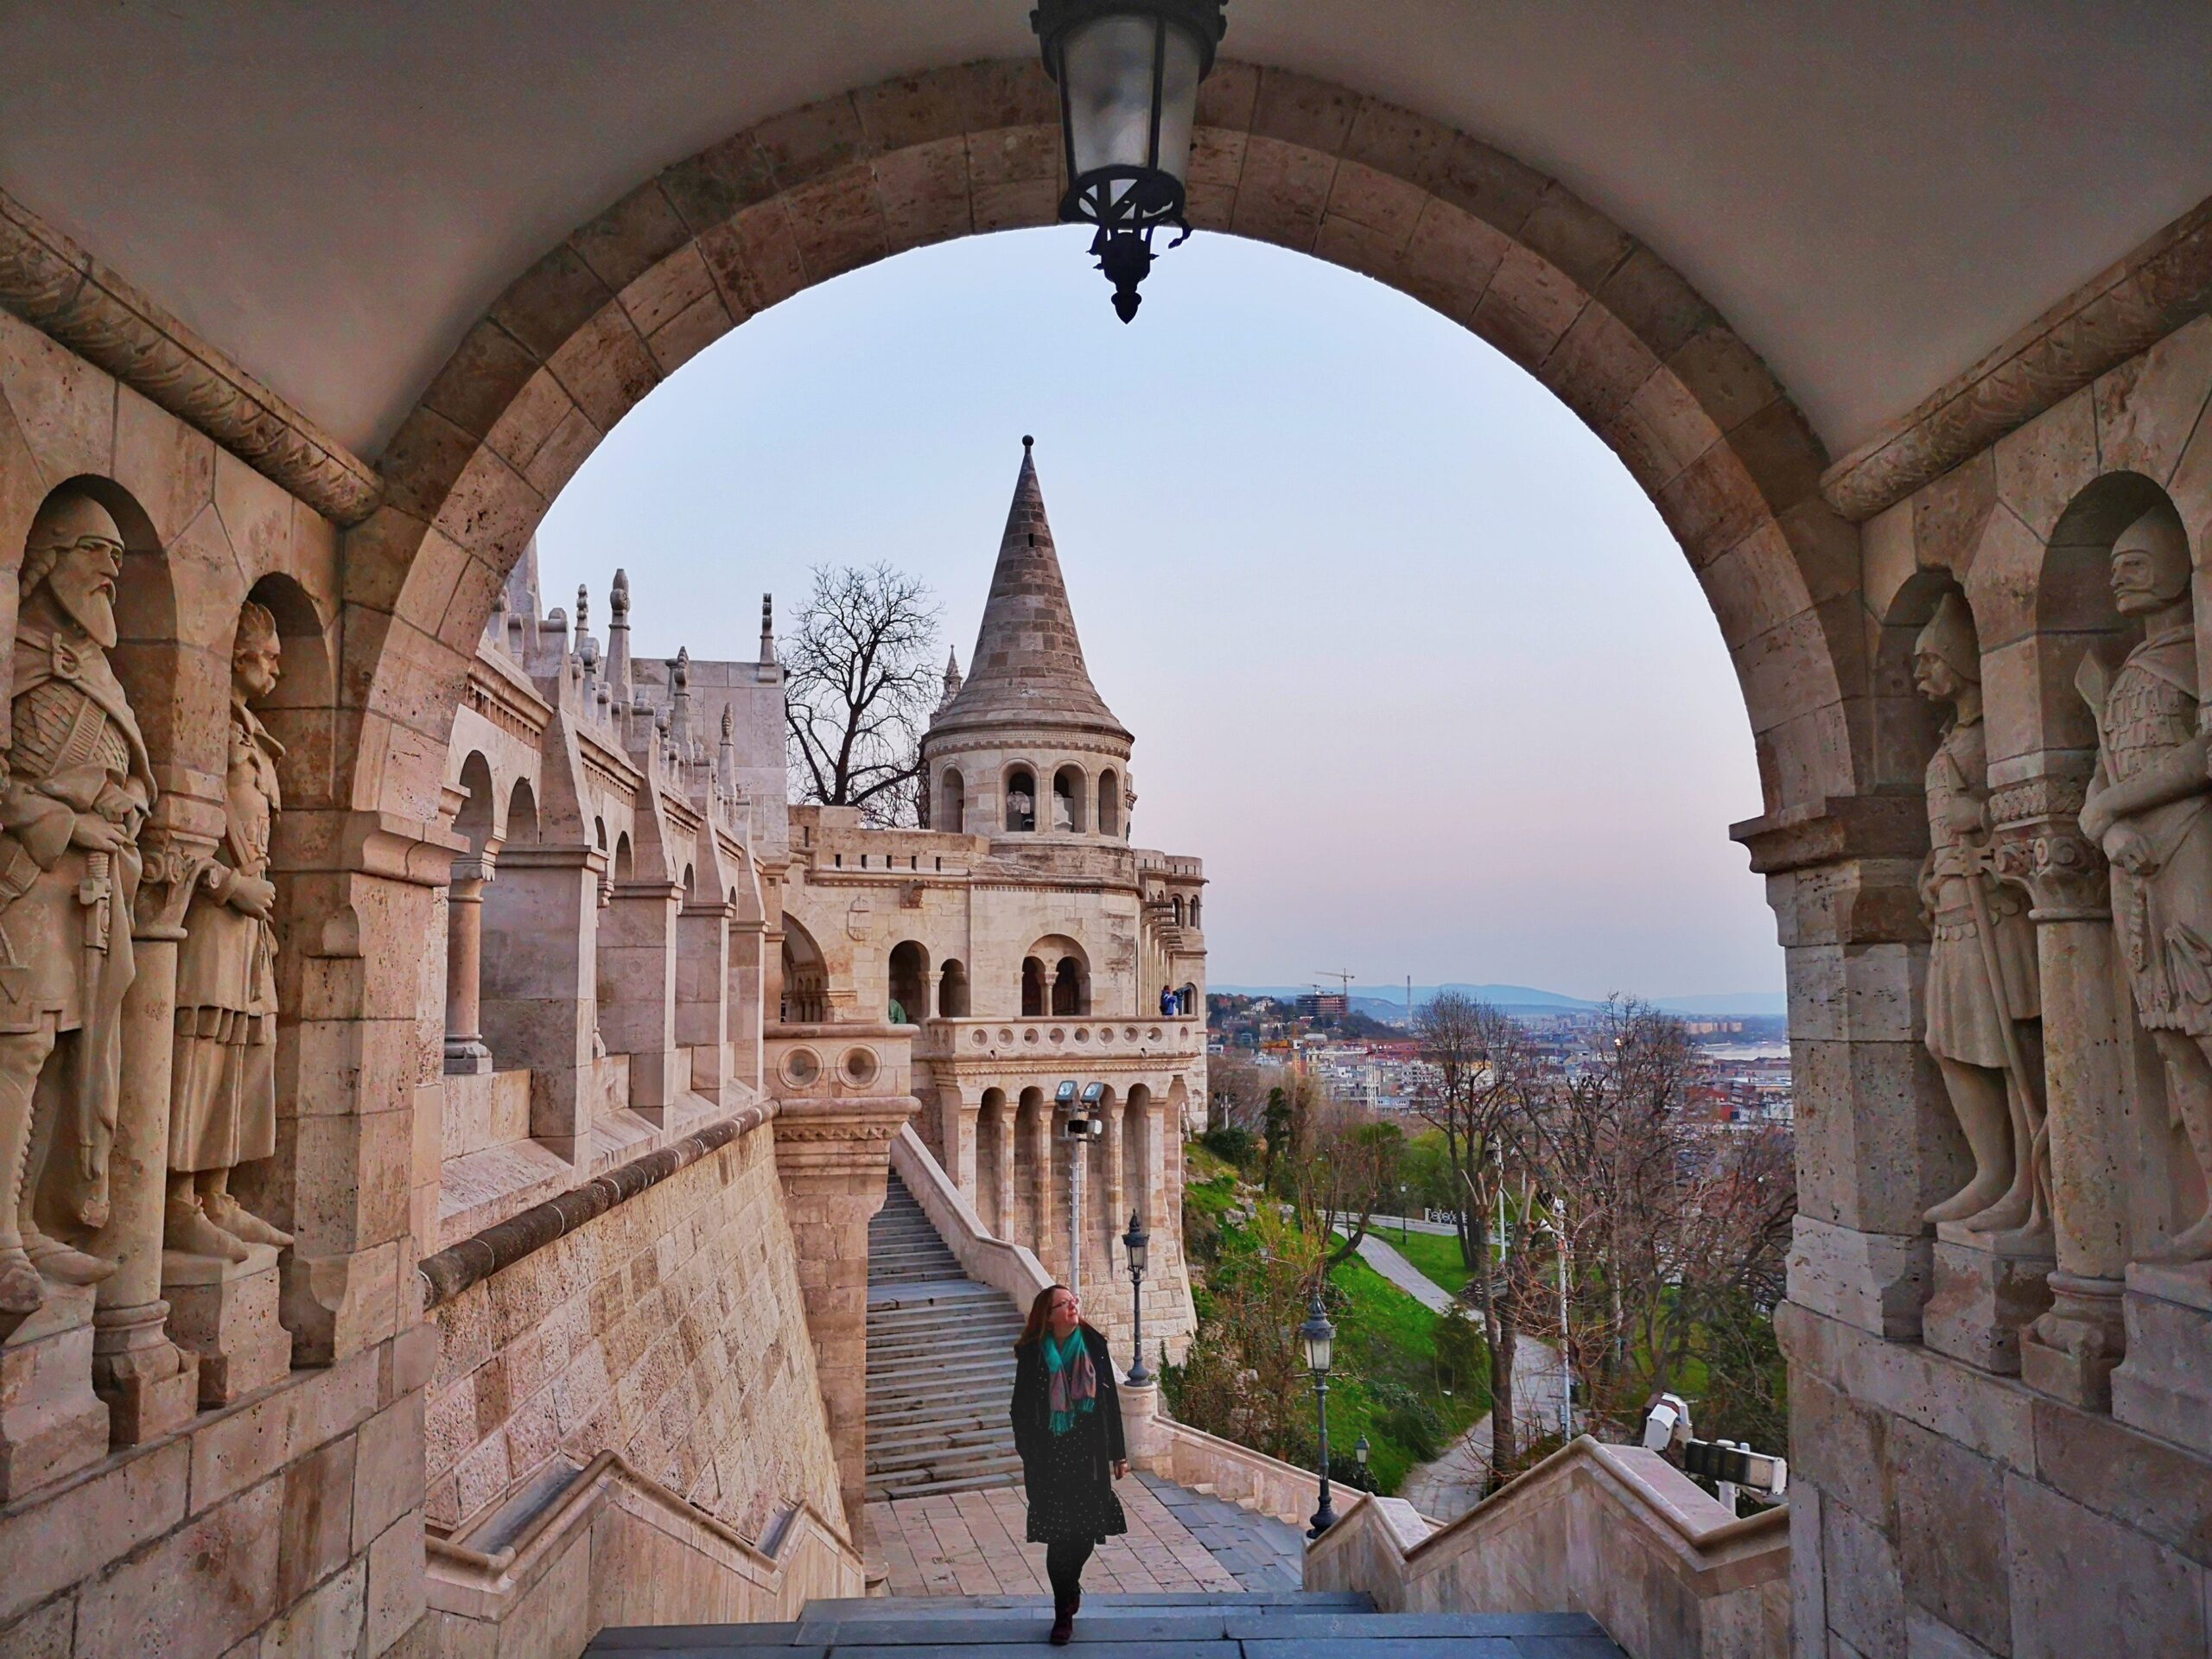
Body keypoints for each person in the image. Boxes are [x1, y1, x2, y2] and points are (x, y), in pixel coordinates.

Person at [1011, 1283, 1127, 1645]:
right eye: (1064, 1304)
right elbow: (1019, 1408)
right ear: (1048, 1316)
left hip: (1089, 1453)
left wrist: (1118, 1453)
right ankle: (1063, 1613)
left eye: (1073, 1301)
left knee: (1087, 1532)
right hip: (1051, 1458)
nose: (1073, 1307)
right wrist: (1030, 1452)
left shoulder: (1095, 1345)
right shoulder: (1033, 1355)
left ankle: (1070, 1581)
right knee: (1060, 1537)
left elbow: (1109, 1403)